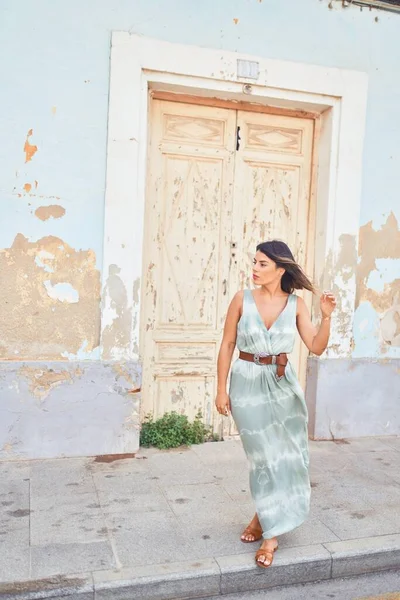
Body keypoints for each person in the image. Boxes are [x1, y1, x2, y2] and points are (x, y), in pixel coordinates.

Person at [215, 240, 336, 569]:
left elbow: (316, 346)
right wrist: (221, 390)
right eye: (254, 262)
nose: (255, 268)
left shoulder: (296, 304)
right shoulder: (242, 299)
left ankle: (266, 527)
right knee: (262, 456)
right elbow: (227, 344)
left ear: (281, 270)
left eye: (263, 264)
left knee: (284, 455)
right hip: (246, 382)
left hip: (282, 385)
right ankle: (270, 527)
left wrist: (325, 318)